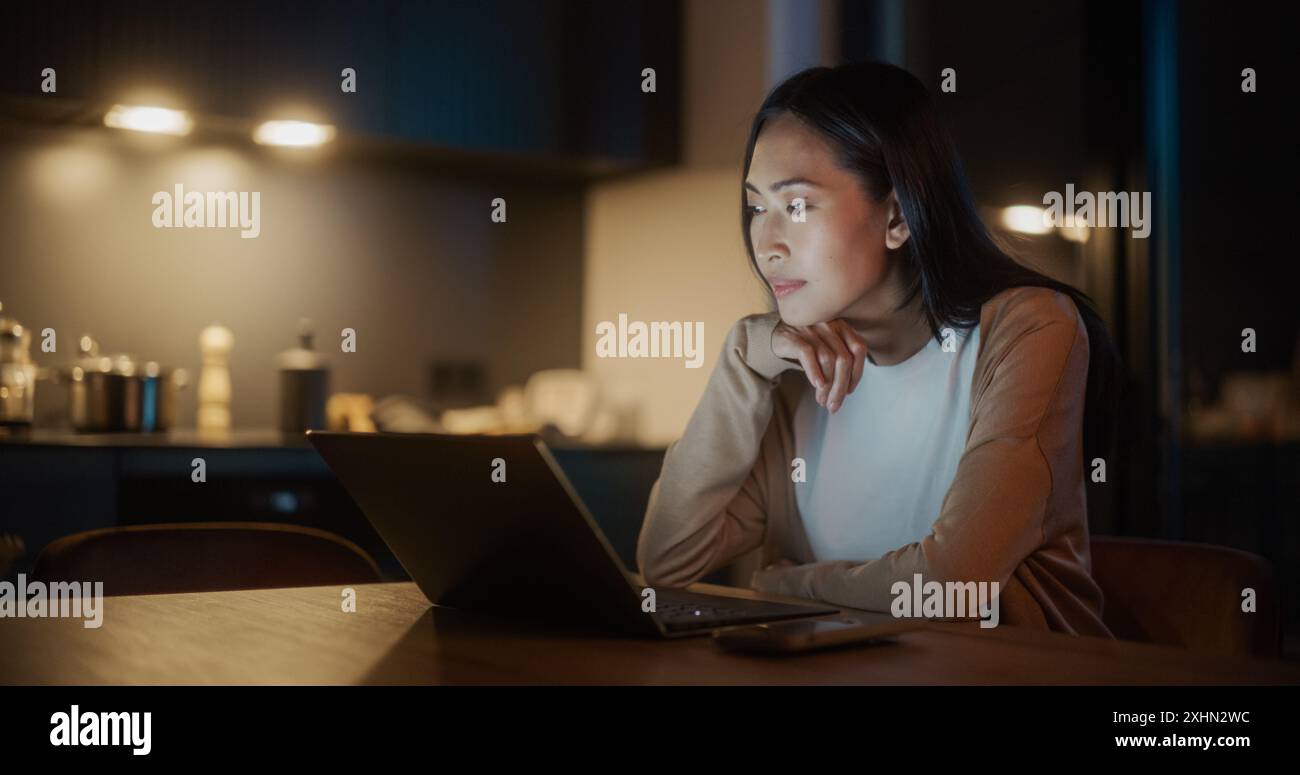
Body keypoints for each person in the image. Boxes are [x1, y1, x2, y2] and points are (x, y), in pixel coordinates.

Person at [636, 61, 1119, 636]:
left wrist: (783, 586)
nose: (765, 244)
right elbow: (665, 564)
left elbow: (952, 588)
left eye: (795, 206)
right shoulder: (794, 372)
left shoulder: (1028, 330)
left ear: (895, 215)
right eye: (755, 207)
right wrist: (741, 358)